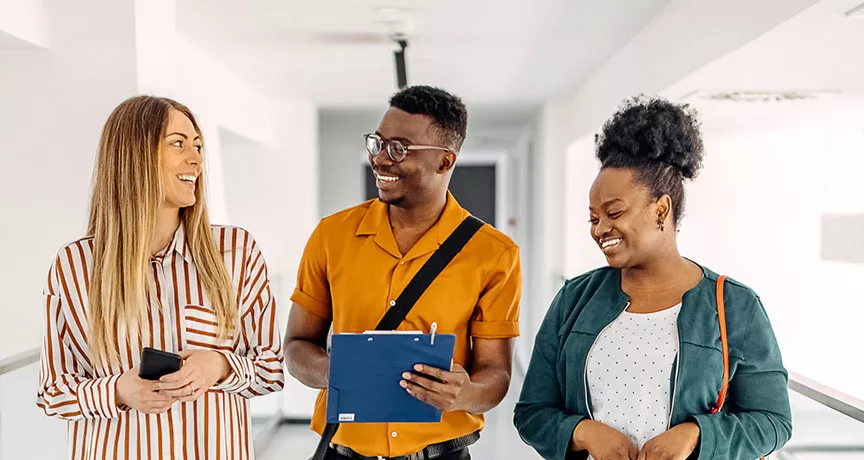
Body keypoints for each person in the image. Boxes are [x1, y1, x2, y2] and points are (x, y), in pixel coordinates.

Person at [514, 97, 791, 460]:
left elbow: (773, 421)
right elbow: (532, 412)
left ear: (661, 209)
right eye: (593, 218)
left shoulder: (735, 305)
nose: (600, 229)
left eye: (613, 212)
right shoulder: (574, 299)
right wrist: (583, 432)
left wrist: (696, 435)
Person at [36, 96, 285, 459]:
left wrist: (218, 365)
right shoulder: (75, 264)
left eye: (198, 145)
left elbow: (271, 369)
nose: (196, 159)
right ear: (134, 155)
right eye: (178, 144)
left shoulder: (236, 252)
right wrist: (119, 391)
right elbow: (53, 390)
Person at [284, 85, 522, 460]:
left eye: (398, 148)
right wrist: (339, 374)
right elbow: (297, 345)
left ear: (445, 161)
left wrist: (465, 394)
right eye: (378, 143)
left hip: (440, 453)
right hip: (342, 451)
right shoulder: (332, 235)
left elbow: (496, 374)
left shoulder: (494, 254)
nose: (380, 159)